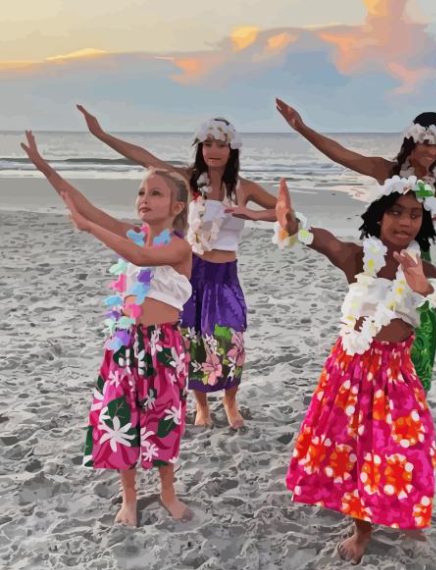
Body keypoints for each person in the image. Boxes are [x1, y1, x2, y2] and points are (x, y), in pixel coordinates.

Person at [274, 176, 436, 563]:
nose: (404, 221)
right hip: (351, 371)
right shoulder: (359, 258)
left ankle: (404, 510)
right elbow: (325, 241)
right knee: (355, 452)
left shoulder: (424, 268)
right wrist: (293, 225)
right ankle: (361, 530)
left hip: (396, 373)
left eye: (414, 214)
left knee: (411, 448)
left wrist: (426, 289)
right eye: (395, 212)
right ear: (378, 217)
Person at [21, 131, 193, 526]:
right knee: (121, 417)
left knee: (163, 419)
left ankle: (168, 492)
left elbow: (141, 256)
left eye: (155, 193)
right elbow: (84, 205)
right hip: (124, 342)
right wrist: (45, 167)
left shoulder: (179, 247)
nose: (144, 200)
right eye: (141, 192)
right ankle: (128, 497)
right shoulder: (132, 233)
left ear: (177, 205)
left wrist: (89, 228)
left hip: (163, 346)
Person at [77, 106, 277, 428]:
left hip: (225, 277)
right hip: (192, 272)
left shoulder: (244, 188)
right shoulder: (187, 180)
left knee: (229, 341)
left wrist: (254, 214)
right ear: (201, 147)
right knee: (193, 341)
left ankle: (230, 401)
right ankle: (202, 407)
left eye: (221, 144)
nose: (213, 151)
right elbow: (145, 158)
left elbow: (284, 210)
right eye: (207, 144)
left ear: (231, 149)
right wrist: (101, 134)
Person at [275, 99, 436, 390]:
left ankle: (414, 399)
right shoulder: (387, 170)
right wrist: (302, 127)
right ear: (412, 140)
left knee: (422, 335)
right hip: (379, 258)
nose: (432, 151)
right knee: (375, 325)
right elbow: (343, 155)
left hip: (417, 261)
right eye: (426, 142)